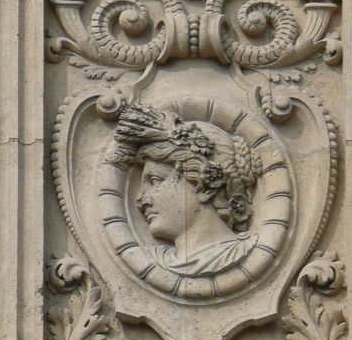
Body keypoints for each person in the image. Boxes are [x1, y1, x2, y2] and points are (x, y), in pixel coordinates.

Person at [107, 103, 262, 276]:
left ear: (204, 186)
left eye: (156, 181)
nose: (141, 201)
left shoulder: (243, 251)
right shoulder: (156, 258)